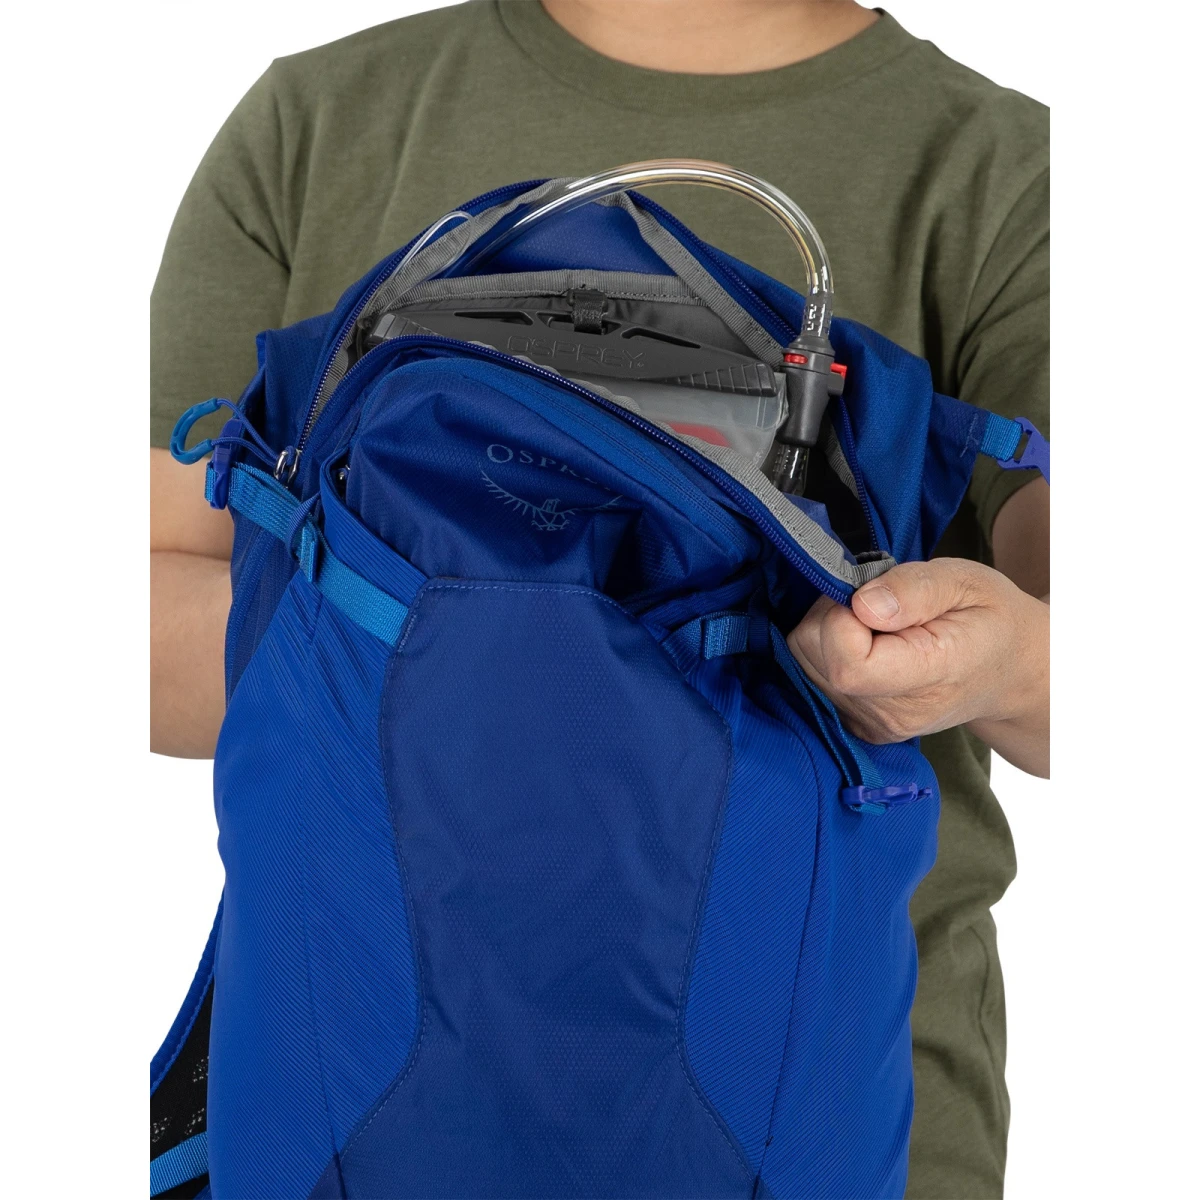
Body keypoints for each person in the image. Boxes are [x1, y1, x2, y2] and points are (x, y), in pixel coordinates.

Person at [150, 2, 1049, 1195]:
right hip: (364, 1099)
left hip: (816, 1112)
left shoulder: (1002, 169)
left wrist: (1007, 663)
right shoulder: (318, 122)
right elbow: (127, 620)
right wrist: (517, 665)